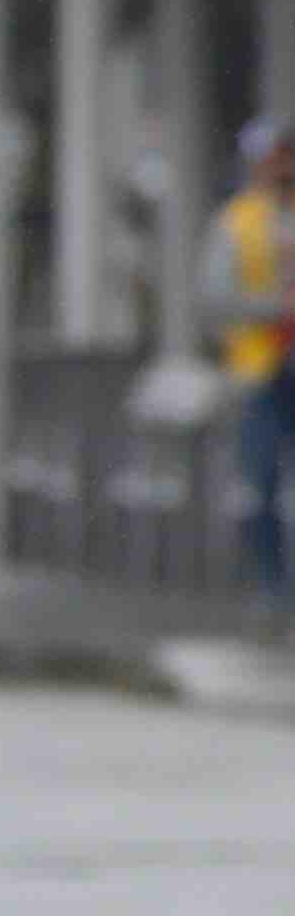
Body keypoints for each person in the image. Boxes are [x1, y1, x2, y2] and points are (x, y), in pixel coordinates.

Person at [201, 119, 295, 633]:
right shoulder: (236, 223)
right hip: (260, 370)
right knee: (260, 486)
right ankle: (271, 588)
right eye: (272, 158)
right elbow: (215, 299)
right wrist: (272, 308)